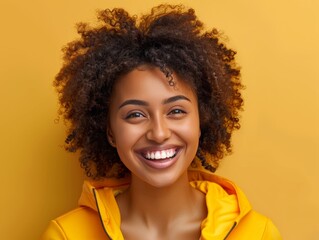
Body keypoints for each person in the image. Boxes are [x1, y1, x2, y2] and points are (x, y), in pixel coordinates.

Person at [41, 4, 281, 240]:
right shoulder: (66, 235)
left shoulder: (257, 234)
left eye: (176, 111)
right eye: (135, 114)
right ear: (111, 132)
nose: (159, 133)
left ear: (201, 120)